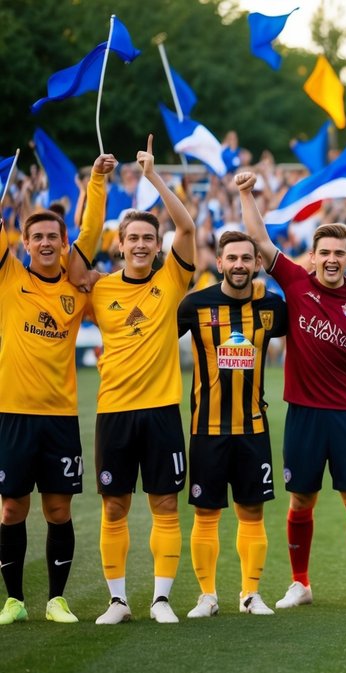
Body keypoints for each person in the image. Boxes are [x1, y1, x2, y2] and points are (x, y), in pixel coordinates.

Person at [236, 172, 346, 608]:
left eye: (340, 252)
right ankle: (300, 583)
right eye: (325, 252)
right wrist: (248, 193)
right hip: (302, 411)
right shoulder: (296, 282)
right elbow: (260, 242)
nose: (332, 259)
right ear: (313, 256)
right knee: (301, 498)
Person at [85, 137, 197, 625]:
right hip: (112, 411)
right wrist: (99, 181)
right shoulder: (100, 287)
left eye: (148, 239)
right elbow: (70, 261)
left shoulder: (171, 278)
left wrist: (153, 178)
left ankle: (161, 600)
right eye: (133, 239)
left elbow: (188, 226)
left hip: (161, 410)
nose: (140, 245)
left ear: (156, 245)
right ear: (121, 244)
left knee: (165, 502)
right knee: (115, 505)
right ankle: (118, 601)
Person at [0, 153, 111, 626]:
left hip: (61, 416)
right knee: (10, 508)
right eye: (37, 237)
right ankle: (13, 599)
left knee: (59, 508)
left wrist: (100, 182)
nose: (46, 243)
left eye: (53, 237)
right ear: (23, 243)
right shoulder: (9, 278)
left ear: (63, 243)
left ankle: (56, 599)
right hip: (12, 414)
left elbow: (91, 234)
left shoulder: (75, 288)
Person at [176, 230, 288, 618]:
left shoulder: (271, 306)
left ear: (257, 264)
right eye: (232, 258)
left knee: (252, 513)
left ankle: (250, 594)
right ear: (219, 262)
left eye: (246, 258)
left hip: (253, 428)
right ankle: (207, 595)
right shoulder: (195, 305)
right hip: (206, 429)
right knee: (206, 514)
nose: (239, 265)